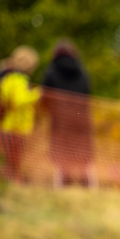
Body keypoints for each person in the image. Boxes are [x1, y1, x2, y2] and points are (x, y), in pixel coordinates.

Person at [42, 39, 95, 187]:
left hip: (60, 120)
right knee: (83, 151)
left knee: (61, 150)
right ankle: (87, 183)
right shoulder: (82, 71)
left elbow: (45, 96)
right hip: (81, 118)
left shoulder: (51, 71)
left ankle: (63, 183)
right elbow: (87, 94)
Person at [0, 45, 42, 183]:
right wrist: (37, 94)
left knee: (10, 157)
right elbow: (19, 101)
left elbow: (5, 99)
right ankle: (14, 180)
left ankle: (9, 180)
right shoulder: (19, 81)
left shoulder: (7, 79)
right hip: (18, 127)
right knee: (14, 158)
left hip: (9, 125)